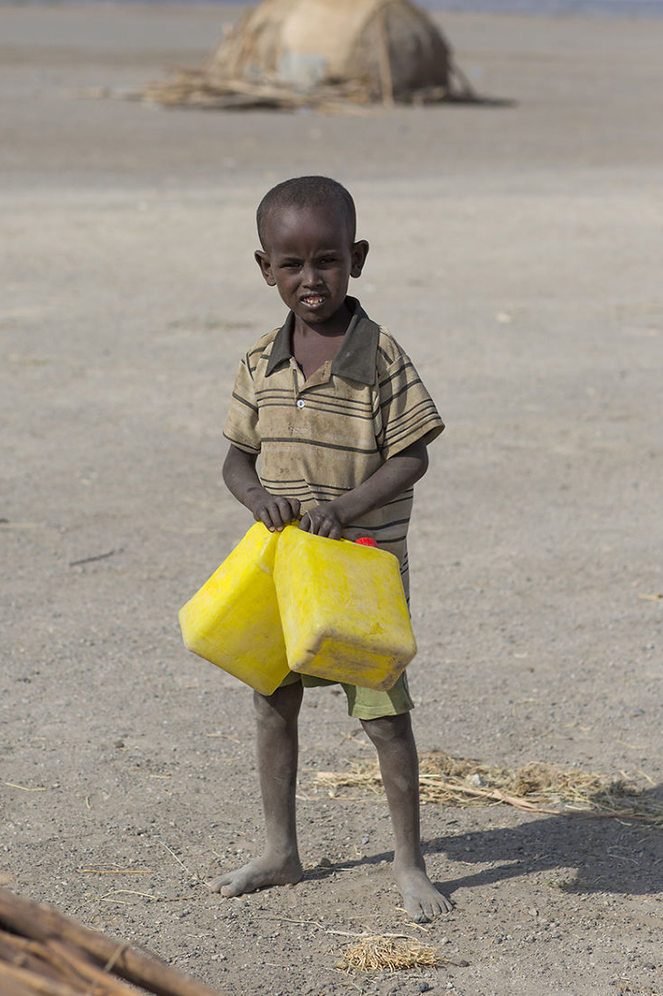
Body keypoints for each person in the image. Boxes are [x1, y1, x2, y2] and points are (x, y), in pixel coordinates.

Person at [211, 175, 452, 921]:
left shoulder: (380, 356)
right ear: (264, 269)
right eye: (291, 264)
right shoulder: (260, 361)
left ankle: (410, 863)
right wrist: (259, 499)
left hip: (361, 571)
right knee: (273, 701)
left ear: (358, 257)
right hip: (283, 568)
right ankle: (281, 850)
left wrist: (343, 508)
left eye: (327, 261)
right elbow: (235, 459)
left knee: (383, 716)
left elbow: (413, 453)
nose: (309, 279)